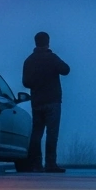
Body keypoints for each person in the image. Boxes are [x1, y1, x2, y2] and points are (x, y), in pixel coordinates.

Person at [21, 31, 70, 172]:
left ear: (35, 42)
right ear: (48, 42)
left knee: (37, 133)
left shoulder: (29, 60)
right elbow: (66, 70)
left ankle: (36, 163)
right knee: (52, 133)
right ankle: (50, 163)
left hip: (37, 101)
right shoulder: (52, 58)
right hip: (53, 100)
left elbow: (25, 82)